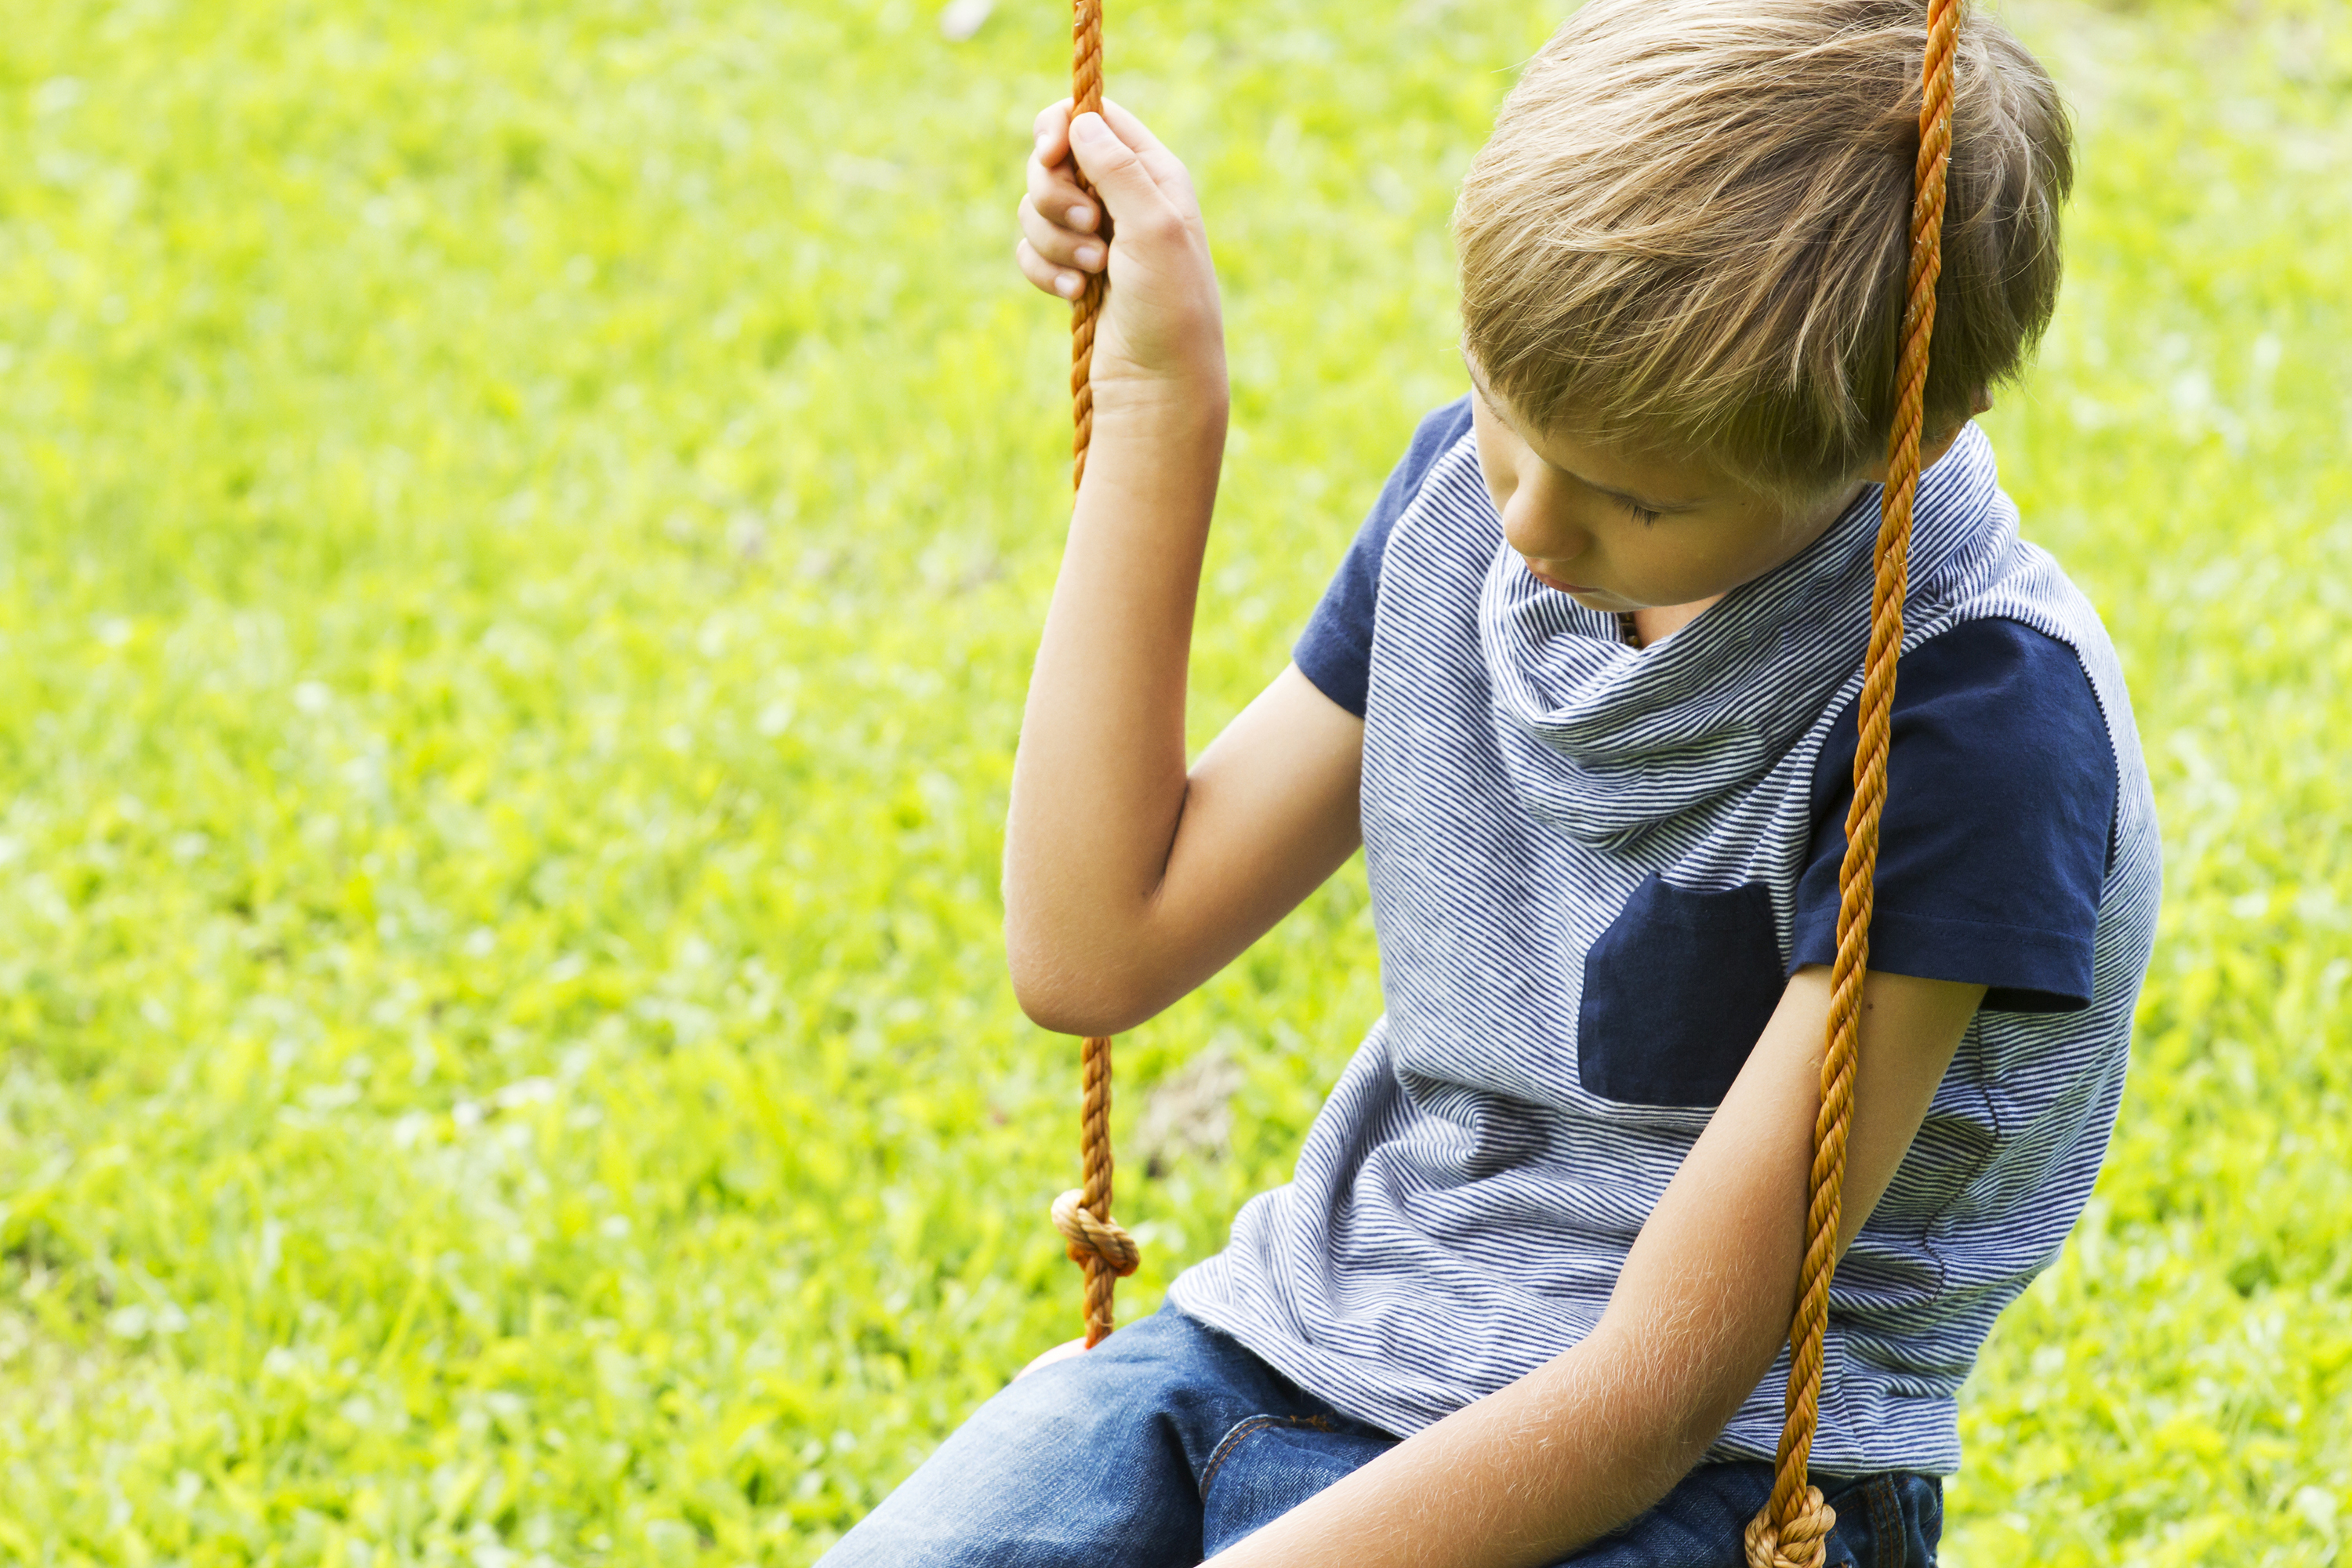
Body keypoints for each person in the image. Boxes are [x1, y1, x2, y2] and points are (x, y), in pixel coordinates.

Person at [821, 1, 2158, 1563]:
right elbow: (1096, 946)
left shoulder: (1969, 716)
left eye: (1637, 502)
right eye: (1504, 414)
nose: (1527, 524)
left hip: (1703, 1477)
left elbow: (1657, 1392)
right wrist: (1160, 407)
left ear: (1912, 437)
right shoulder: (1472, 507)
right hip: (1287, 1350)